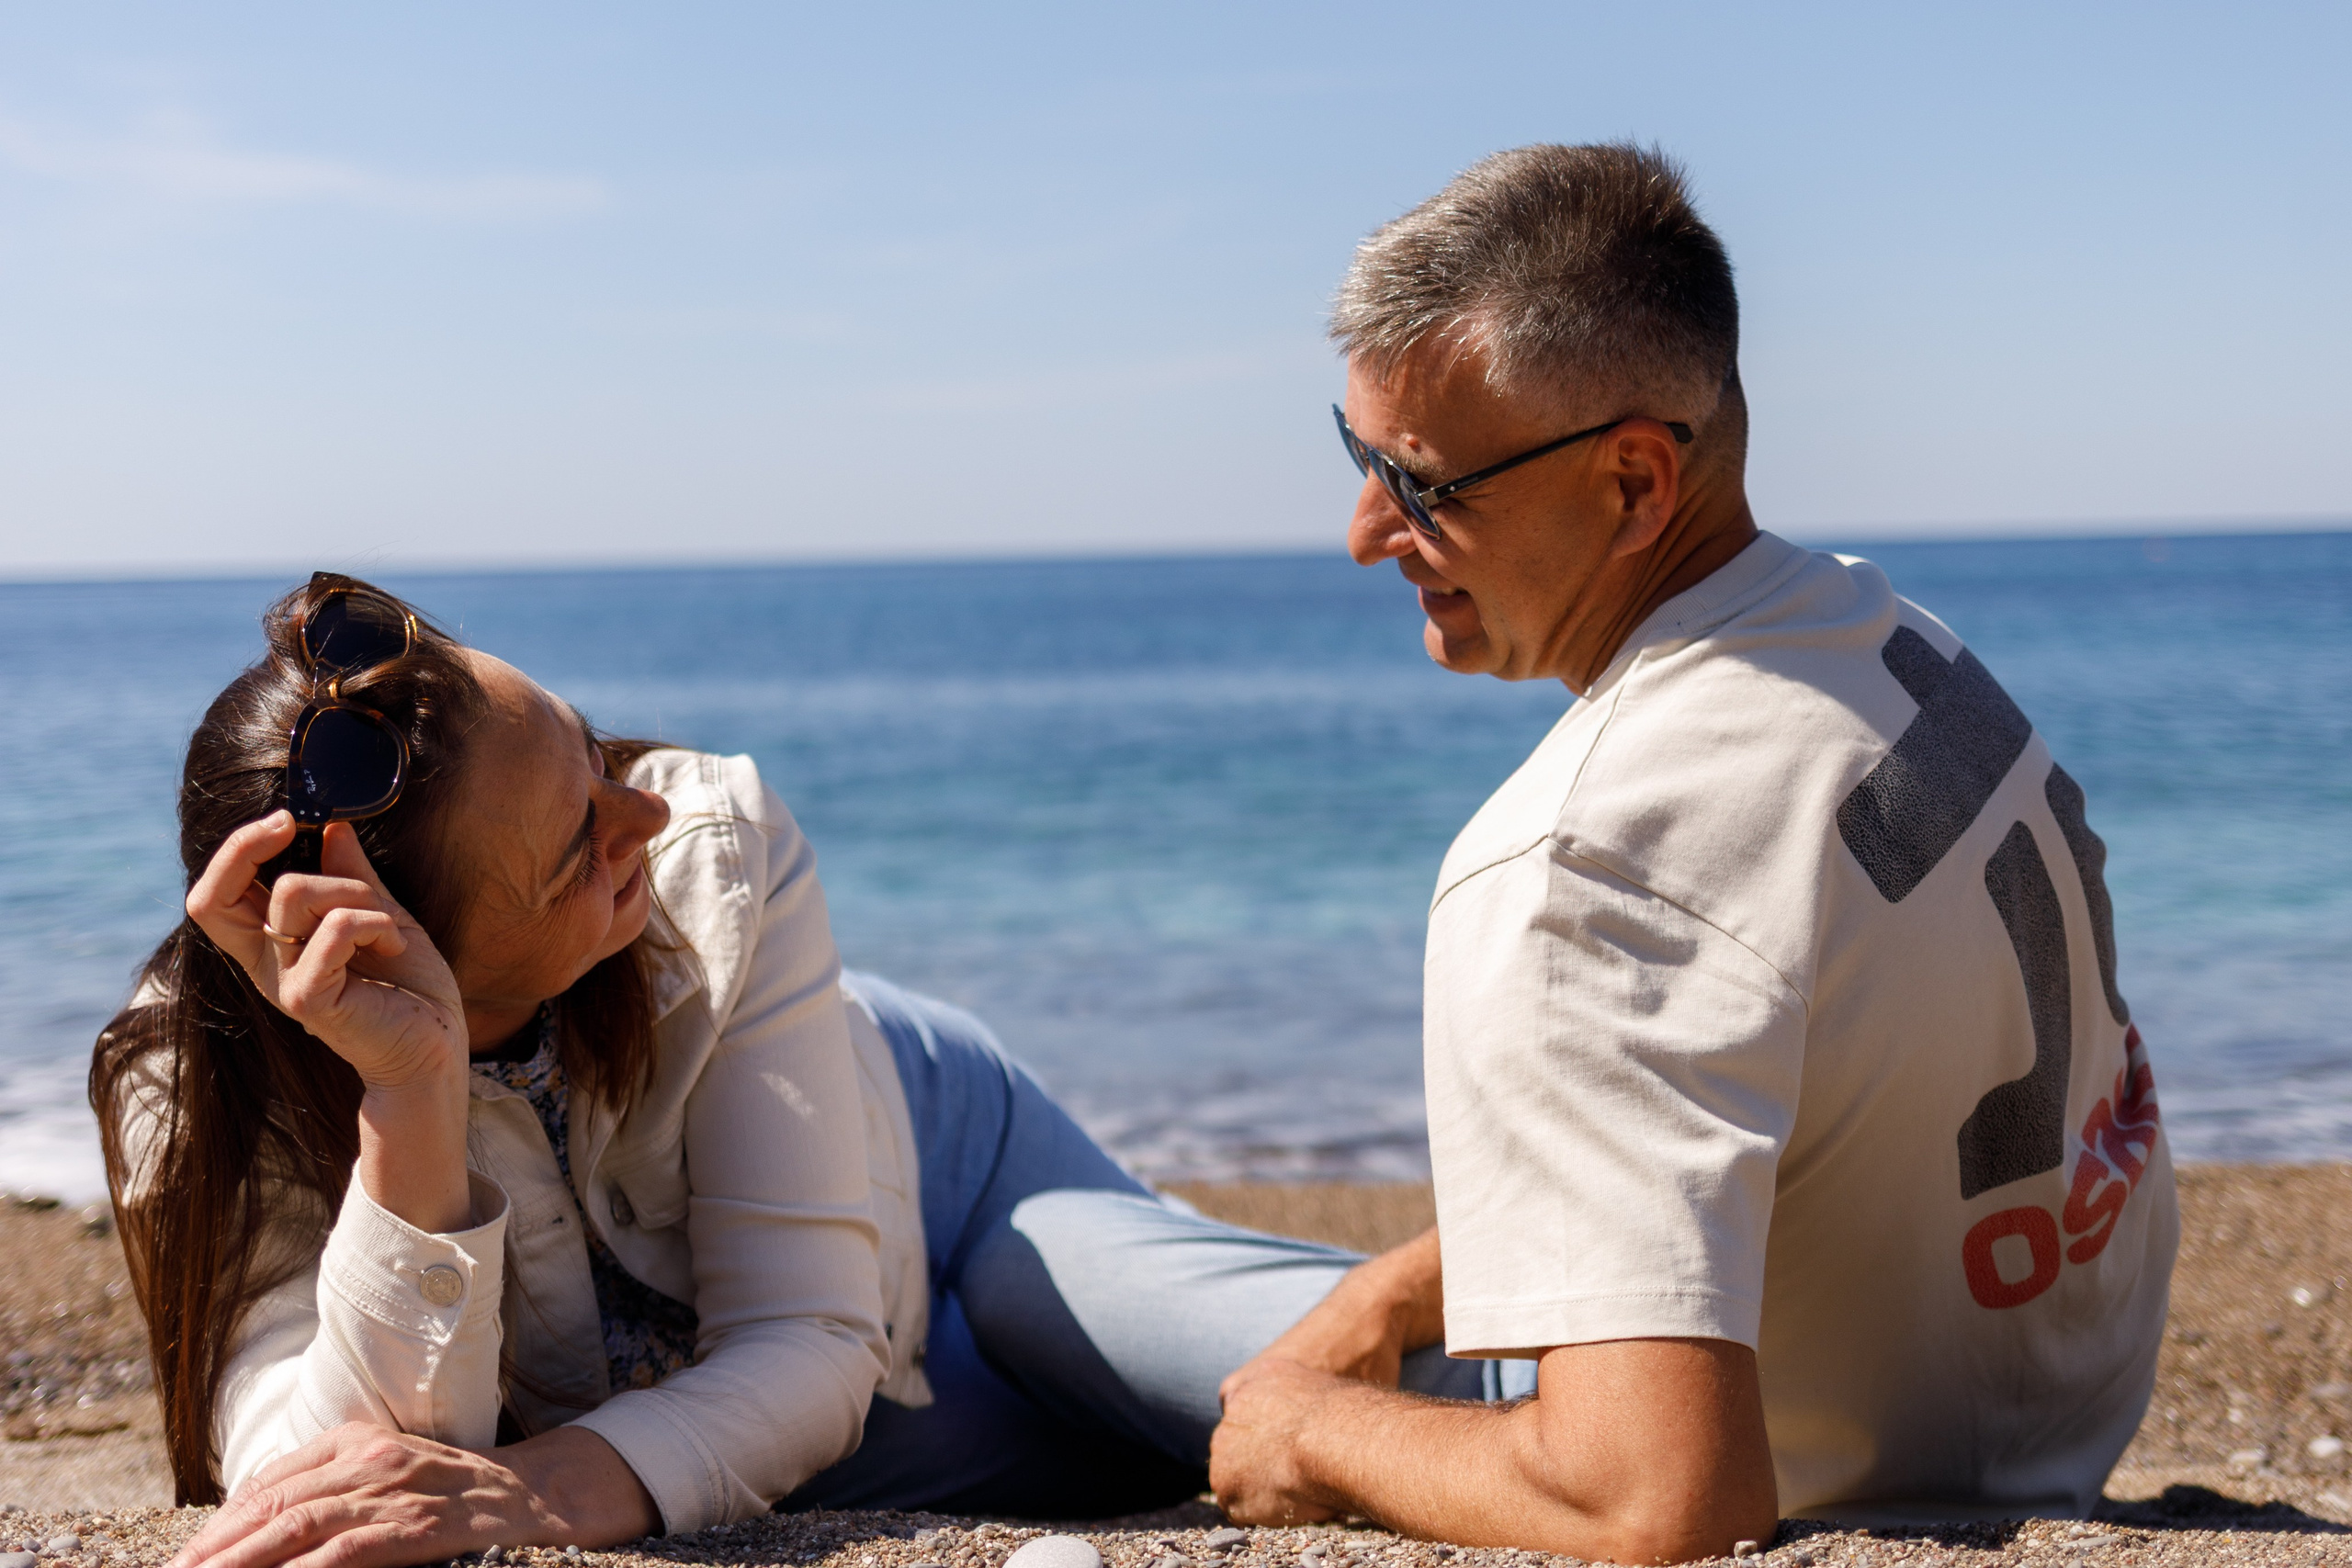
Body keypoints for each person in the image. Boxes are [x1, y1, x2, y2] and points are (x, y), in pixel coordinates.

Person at [98, 575, 1517, 1568]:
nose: (640, 813)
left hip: (954, 1178)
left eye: (592, 751)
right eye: (572, 847)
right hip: (855, 1424)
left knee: (1301, 1394)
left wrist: (533, 1493)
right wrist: (409, 1097)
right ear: (430, 963)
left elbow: (804, 1344)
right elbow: (324, 1493)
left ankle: (1611, 1315)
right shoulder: (203, 1085)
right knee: (1161, 1444)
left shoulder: (716, 852)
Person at [1205, 143, 2177, 1562]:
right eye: (1358, 457)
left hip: (1850, 1478)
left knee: (1039, 1250)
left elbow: (1658, 1507)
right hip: (2050, 1416)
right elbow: (1809, 1120)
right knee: (1242, 1279)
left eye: (1419, 485)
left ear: (1633, 484)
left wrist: (1304, 1426)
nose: (1365, 535)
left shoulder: (1578, 868)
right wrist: (1401, 1295)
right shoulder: (1895, 652)